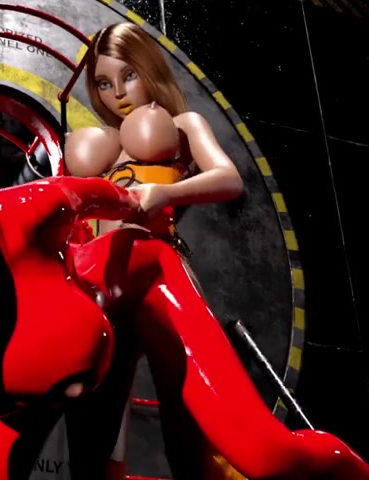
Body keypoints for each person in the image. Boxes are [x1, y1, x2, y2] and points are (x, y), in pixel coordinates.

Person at [0, 58, 369, 480]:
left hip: (144, 273)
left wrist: (152, 198)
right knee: (88, 469)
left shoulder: (42, 201)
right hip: (76, 305)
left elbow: (118, 197)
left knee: (260, 456)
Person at [66, 21, 246, 479]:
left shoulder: (181, 125)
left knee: (185, 426)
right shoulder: (106, 144)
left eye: (129, 75)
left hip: (163, 275)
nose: (118, 93)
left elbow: (229, 179)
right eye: (103, 83)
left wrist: (165, 192)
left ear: (149, 69)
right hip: (107, 281)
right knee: (92, 435)